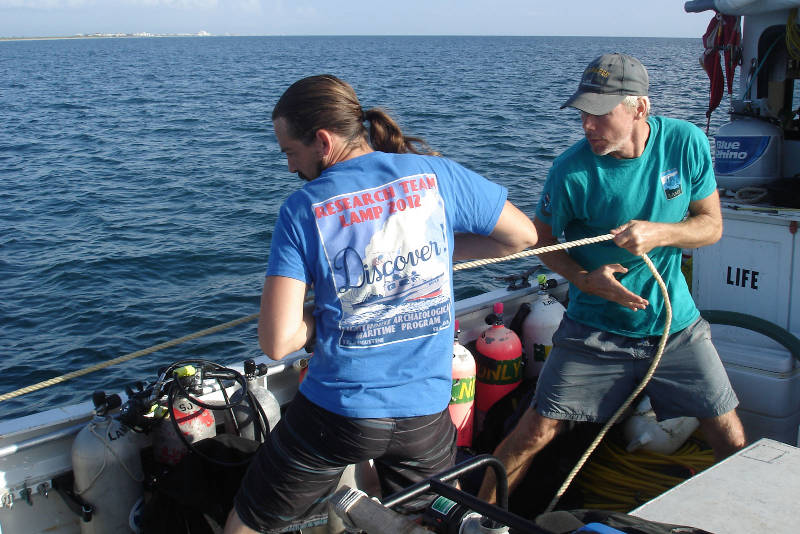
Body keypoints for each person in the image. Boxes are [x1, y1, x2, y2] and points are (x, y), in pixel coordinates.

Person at [224, 74, 539, 534]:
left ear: (323, 141)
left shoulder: (301, 209)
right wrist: (430, 252)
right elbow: (522, 236)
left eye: (290, 152)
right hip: (425, 414)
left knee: (247, 524)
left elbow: (277, 342)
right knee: (429, 524)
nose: (290, 167)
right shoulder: (436, 175)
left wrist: (322, 315)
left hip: (337, 412)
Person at [478, 53, 747, 504]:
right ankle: (476, 521)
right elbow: (541, 242)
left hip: (673, 327)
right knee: (534, 431)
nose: (587, 125)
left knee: (729, 434)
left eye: (600, 114)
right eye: (583, 112)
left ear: (640, 108)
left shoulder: (685, 143)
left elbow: (711, 225)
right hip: (593, 330)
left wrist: (662, 232)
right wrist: (584, 279)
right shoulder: (570, 171)